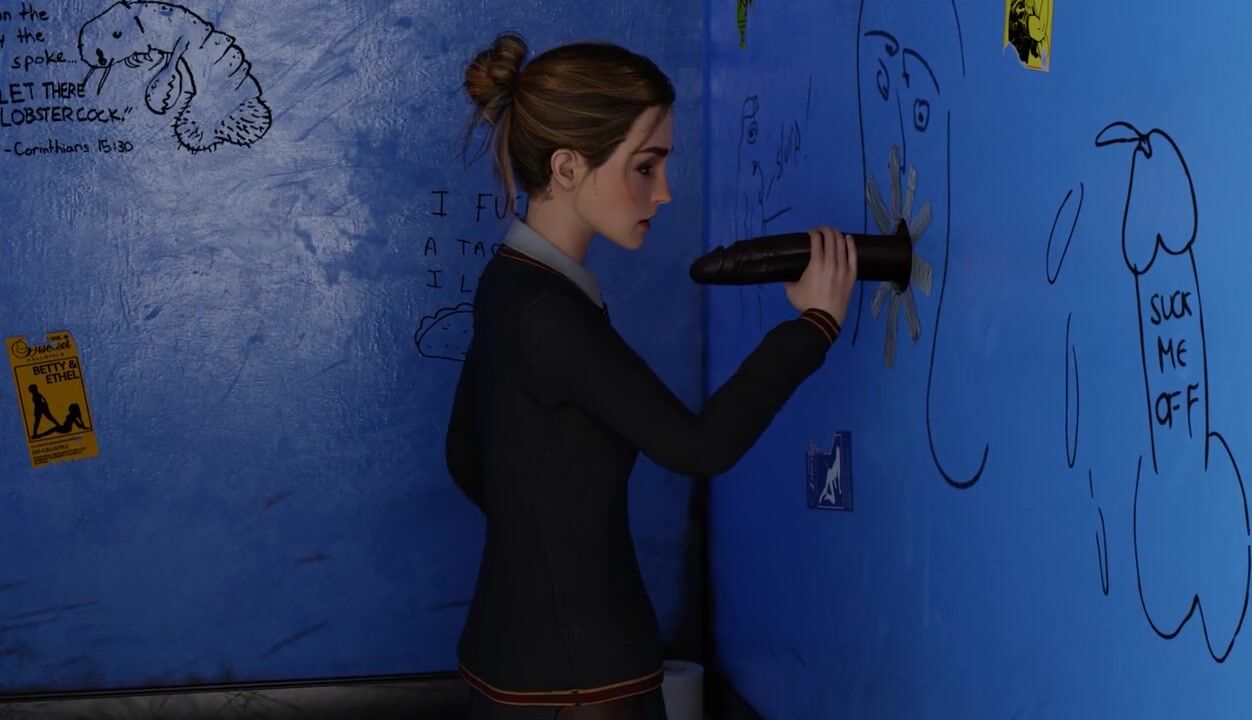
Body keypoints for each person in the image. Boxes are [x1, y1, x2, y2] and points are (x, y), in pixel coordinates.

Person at [446, 31, 857, 720]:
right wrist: (813, 325)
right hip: (581, 679)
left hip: (509, 661)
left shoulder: (509, 283)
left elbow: (463, 455)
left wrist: (541, 542)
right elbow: (700, 447)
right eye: (645, 166)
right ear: (568, 167)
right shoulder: (551, 315)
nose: (664, 193)